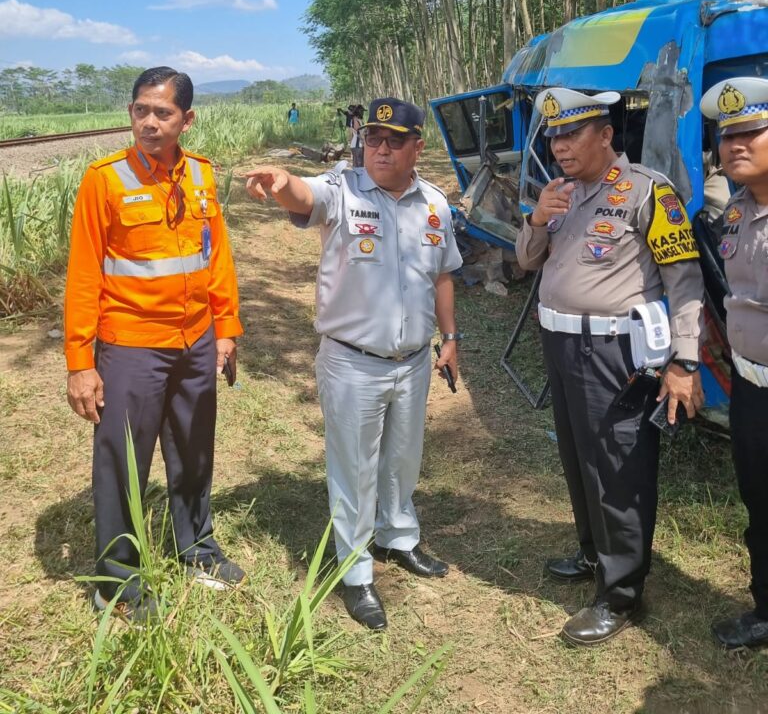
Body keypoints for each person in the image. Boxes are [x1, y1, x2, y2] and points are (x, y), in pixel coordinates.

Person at [245, 97, 462, 630]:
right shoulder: (342, 190)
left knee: (402, 460)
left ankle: (398, 538)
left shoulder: (435, 203)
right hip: (352, 362)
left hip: (412, 361)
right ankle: (356, 570)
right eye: (372, 139)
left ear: (418, 146)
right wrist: (280, 181)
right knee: (355, 468)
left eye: (393, 140)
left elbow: (442, 276)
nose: (380, 149)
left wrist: (451, 338)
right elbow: (304, 195)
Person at [515, 88, 704, 646]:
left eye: (570, 135)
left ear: (605, 135)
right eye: (553, 136)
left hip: (616, 353)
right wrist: (538, 218)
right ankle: (593, 552)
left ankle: (621, 592)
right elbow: (527, 262)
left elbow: (685, 280)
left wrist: (685, 361)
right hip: (561, 344)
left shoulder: (648, 191)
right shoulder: (562, 193)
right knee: (577, 457)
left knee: (618, 467)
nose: (559, 147)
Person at [64, 66, 244, 620]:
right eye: (140, 110)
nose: (148, 122)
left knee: (193, 449)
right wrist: (80, 361)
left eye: (162, 113)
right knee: (122, 459)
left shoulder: (202, 177)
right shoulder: (106, 179)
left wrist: (226, 329)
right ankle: (115, 582)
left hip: (194, 342)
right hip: (131, 343)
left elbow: (215, 258)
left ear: (186, 120)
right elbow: (83, 273)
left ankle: (196, 547)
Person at [701, 77, 768, 649]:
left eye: (751, 132)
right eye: (727, 137)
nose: (735, 146)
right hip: (751, 386)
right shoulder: (737, 212)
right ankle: (766, 608)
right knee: (760, 502)